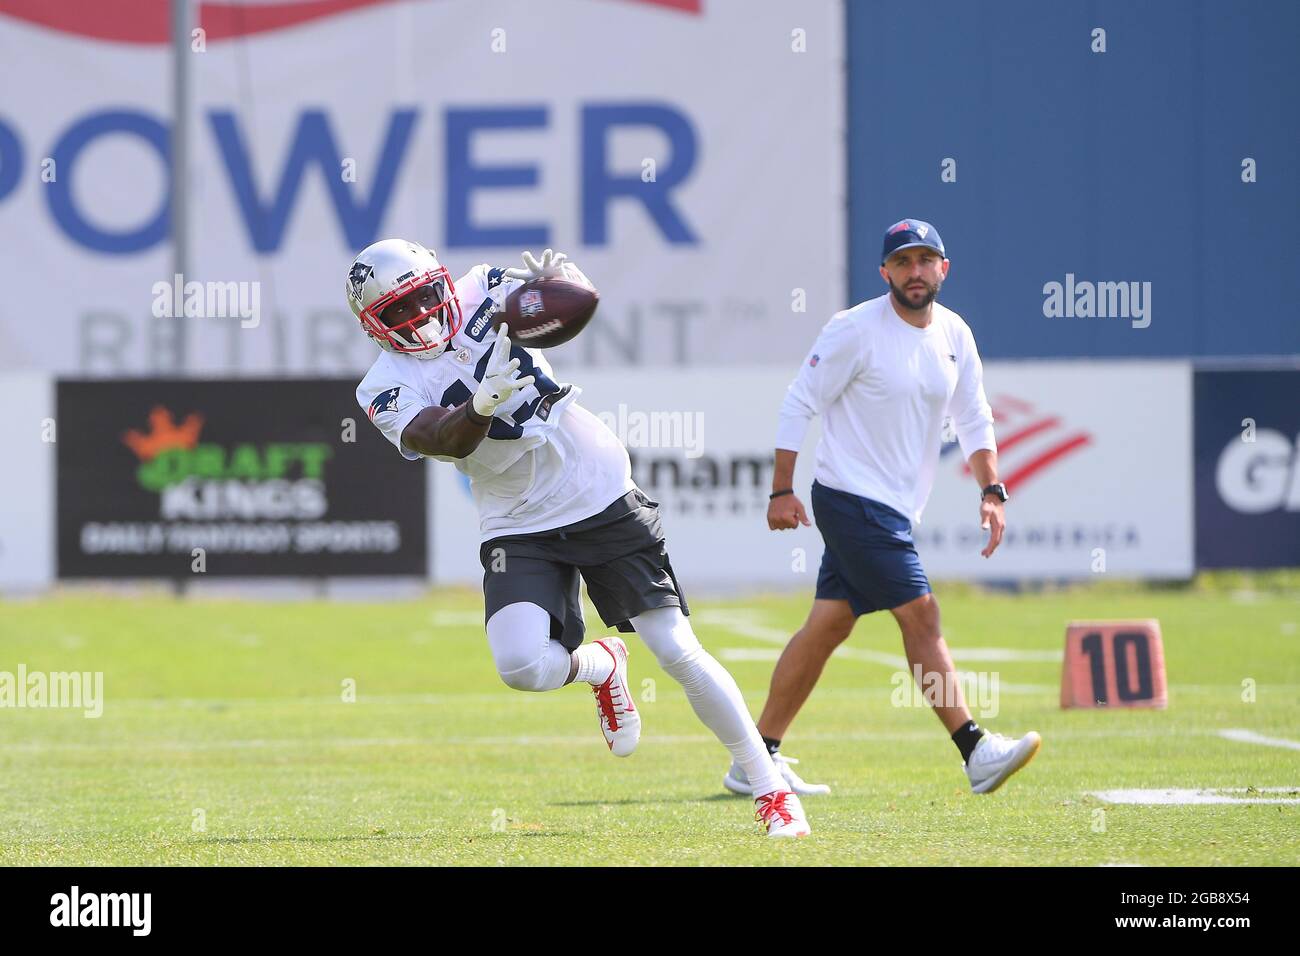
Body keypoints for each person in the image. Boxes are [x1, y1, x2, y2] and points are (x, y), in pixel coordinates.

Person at [350, 238, 810, 837]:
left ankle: (768, 787)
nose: (418, 318)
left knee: (674, 648)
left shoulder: (484, 285)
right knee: (519, 665)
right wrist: (482, 406)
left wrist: (570, 283)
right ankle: (600, 665)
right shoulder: (381, 385)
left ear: (441, 280)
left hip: (594, 489)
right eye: (396, 313)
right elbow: (444, 438)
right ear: (374, 327)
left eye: (423, 298)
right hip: (516, 517)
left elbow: (566, 310)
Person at [723, 219, 1041, 798]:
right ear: (884, 272)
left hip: (894, 508)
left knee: (826, 627)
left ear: (943, 269)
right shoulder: (854, 329)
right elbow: (799, 402)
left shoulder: (954, 333)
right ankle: (975, 750)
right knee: (921, 616)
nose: (914, 271)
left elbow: (973, 417)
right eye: (902, 262)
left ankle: (755, 759)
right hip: (850, 499)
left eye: (925, 260)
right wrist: (781, 490)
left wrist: (991, 490)